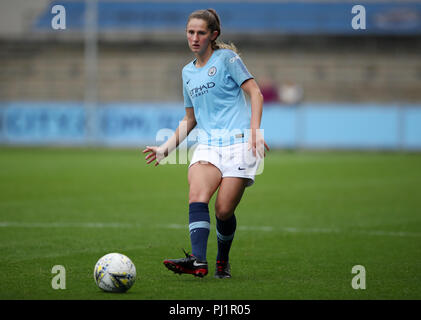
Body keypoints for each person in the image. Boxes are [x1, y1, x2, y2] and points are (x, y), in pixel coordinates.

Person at [142, 8, 269, 279]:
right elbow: (190, 119)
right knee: (197, 195)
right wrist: (165, 148)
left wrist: (255, 131)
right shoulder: (187, 72)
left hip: (239, 144)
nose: (195, 38)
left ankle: (222, 259)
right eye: (190, 32)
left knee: (223, 210)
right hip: (208, 146)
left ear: (213, 35)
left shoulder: (227, 59)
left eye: (201, 32)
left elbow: (255, 92)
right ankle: (199, 261)